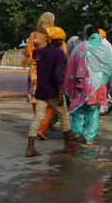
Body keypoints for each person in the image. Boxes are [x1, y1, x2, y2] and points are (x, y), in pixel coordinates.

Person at [24, 27, 77, 157]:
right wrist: (60, 92)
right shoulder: (58, 53)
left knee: (38, 118)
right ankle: (68, 144)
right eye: (62, 40)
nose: (63, 42)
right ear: (56, 40)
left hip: (41, 90)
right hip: (53, 91)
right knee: (64, 116)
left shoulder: (40, 52)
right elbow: (58, 74)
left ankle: (30, 148)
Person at [65, 24, 112, 145]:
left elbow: (71, 64)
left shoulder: (81, 46)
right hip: (99, 87)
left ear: (87, 36)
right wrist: (106, 82)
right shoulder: (105, 49)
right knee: (93, 112)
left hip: (83, 83)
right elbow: (111, 68)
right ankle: (89, 138)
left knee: (78, 110)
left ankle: (76, 132)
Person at [23, 12, 67, 141]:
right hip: (50, 74)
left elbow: (28, 52)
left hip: (35, 72)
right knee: (50, 104)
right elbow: (64, 55)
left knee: (36, 101)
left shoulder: (33, 35)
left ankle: (38, 127)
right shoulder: (55, 35)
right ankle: (42, 129)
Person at [98, 29, 112, 116]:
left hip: (104, 72)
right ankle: (107, 105)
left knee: (103, 91)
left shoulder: (103, 44)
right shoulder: (106, 43)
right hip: (106, 71)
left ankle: (105, 108)